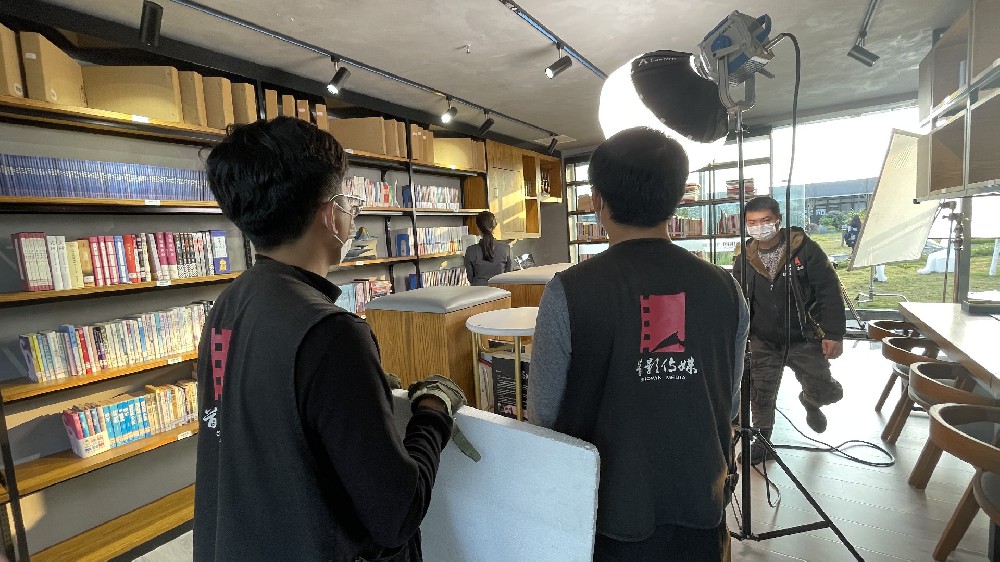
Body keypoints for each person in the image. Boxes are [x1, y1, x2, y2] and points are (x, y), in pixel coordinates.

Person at [194, 117, 467, 561]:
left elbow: (270, 417)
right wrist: (434, 411)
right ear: (330, 215)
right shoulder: (332, 334)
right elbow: (397, 515)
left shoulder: (228, 305)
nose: (351, 214)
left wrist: (353, 395)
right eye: (348, 201)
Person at [530, 127, 748, 561]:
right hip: (700, 499)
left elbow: (545, 414)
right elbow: (730, 400)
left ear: (597, 200)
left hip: (603, 510)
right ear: (678, 198)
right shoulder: (726, 289)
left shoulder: (568, 291)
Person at [732, 196, 846, 466]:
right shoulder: (744, 257)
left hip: (804, 337)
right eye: (752, 222)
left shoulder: (804, 250)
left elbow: (829, 291)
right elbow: (737, 298)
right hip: (763, 339)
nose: (759, 227)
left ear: (778, 220)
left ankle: (811, 401)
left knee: (826, 390)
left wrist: (834, 334)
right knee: (761, 394)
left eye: (765, 221)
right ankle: (763, 440)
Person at [465, 211, 511, 285]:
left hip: (478, 290)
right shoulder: (506, 249)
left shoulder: (470, 250)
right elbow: (508, 277)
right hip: (500, 290)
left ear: (478, 228)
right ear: (494, 226)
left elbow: (470, 278)